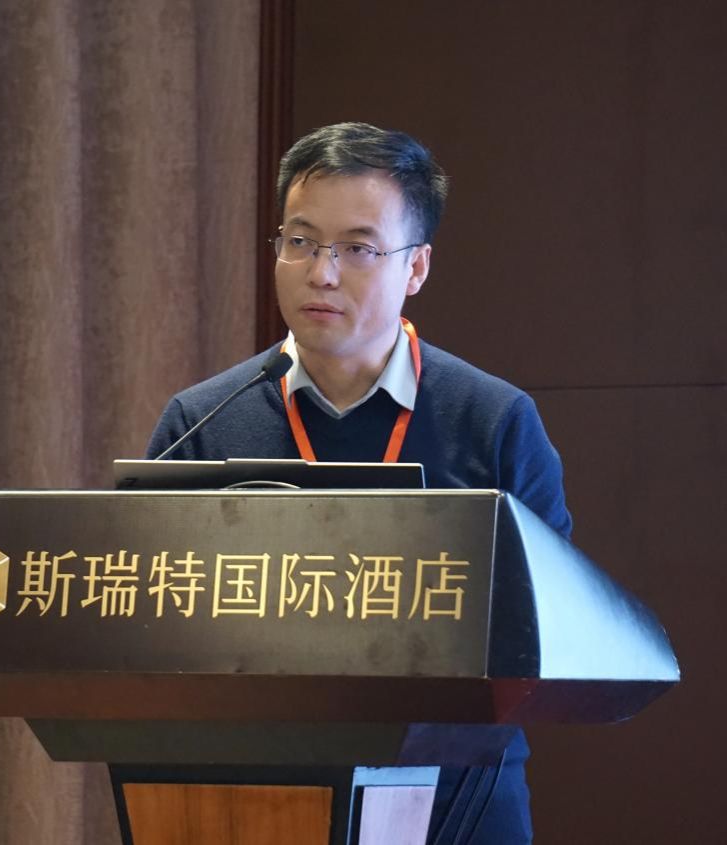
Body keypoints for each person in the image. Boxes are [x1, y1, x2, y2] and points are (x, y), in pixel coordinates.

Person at [145, 122, 571, 843]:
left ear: (417, 267)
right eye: (301, 241)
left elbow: (553, 623)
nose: (322, 273)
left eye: (358, 248)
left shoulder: (493, 421)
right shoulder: (201, 422)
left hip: (459, 798)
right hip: (250, 794)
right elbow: (146, 618)